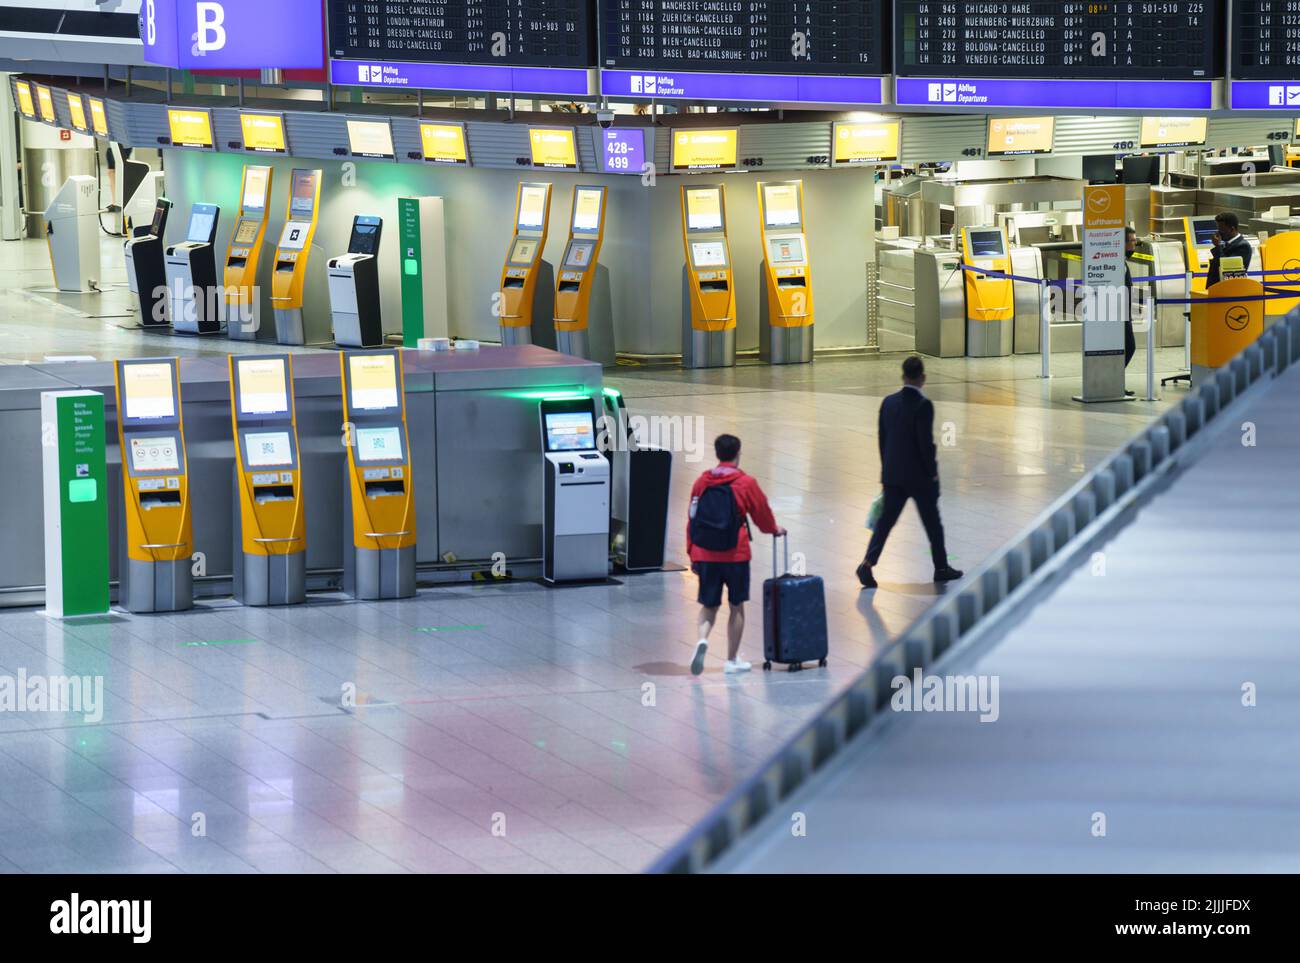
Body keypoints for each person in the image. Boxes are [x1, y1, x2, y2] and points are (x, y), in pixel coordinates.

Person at [857, 357, 964, 589]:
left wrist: (887, 470)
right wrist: (932, 472)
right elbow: (925, 444)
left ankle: (867, 564)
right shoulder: (923, 406)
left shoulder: (888, 402)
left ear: (903, 376)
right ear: (922, 378)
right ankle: (941, 568)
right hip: (919, 478)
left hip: (893, 476)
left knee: (885, 523)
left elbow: (882, 439)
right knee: (933, 525)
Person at [687, 434, 784, 676]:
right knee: (736, 606)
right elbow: (762, 513)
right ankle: (731, 660)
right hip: (735, 554)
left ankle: (702, 640)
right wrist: (774, 529)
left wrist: (692, 552)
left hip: (706, 552)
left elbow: (692, 518)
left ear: (717, 453)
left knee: (709, 605)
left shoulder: (702, 482)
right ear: (738, 453)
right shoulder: (745, 482)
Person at [1207, 211, 1253, 288]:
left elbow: (1226, 267)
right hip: (1216, 289)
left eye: (1221, 229)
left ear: (1232, 229)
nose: (1218, 233)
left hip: (1229, 290)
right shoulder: (1226, 244)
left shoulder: (1243, 246)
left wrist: (1217, 247)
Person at [1123, 227, 1139, 397]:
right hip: (1119, 313)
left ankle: (1116, 380)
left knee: (1126, 347)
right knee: (1130, 346)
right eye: (1132, 241)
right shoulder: (1118, 263)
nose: (1135, 245)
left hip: (1125, 312)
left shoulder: (1121, 261)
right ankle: (1114, 380)